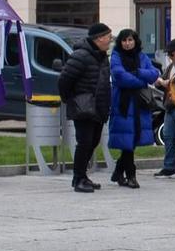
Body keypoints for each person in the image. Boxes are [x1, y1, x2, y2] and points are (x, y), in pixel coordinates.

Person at [58, 23, 114, 193]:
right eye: (108, 37)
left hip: (99, 107)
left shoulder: (102, 56)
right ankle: (78, 178)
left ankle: (82, 176)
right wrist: (71, 99)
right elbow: (64, 80)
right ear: (98, 38)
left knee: (93, 141)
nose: (110, 41)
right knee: (84, 142)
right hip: (84, 107)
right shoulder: (81, 55)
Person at [106, 29, 160, 190]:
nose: (127, 43)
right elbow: (120, 77)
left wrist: (138, 72)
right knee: (127, 140)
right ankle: (131, 176)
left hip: (140, 104)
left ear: (135, 41)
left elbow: (153, 74)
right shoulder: (116, 56)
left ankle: (118, 170)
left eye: (130, 40)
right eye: (124, 40)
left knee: (134, 137)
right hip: (123, 103)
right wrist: (140, 81)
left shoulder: (142, 56)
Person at [155, 39, 175, 177]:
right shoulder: (170, 67)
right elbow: (159, 82)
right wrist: (162, 81)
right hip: (170, 105)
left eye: (172, 54)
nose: (170, 57)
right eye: (169, 55)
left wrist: (165, 82)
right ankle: (170, 167)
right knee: (168, 136)